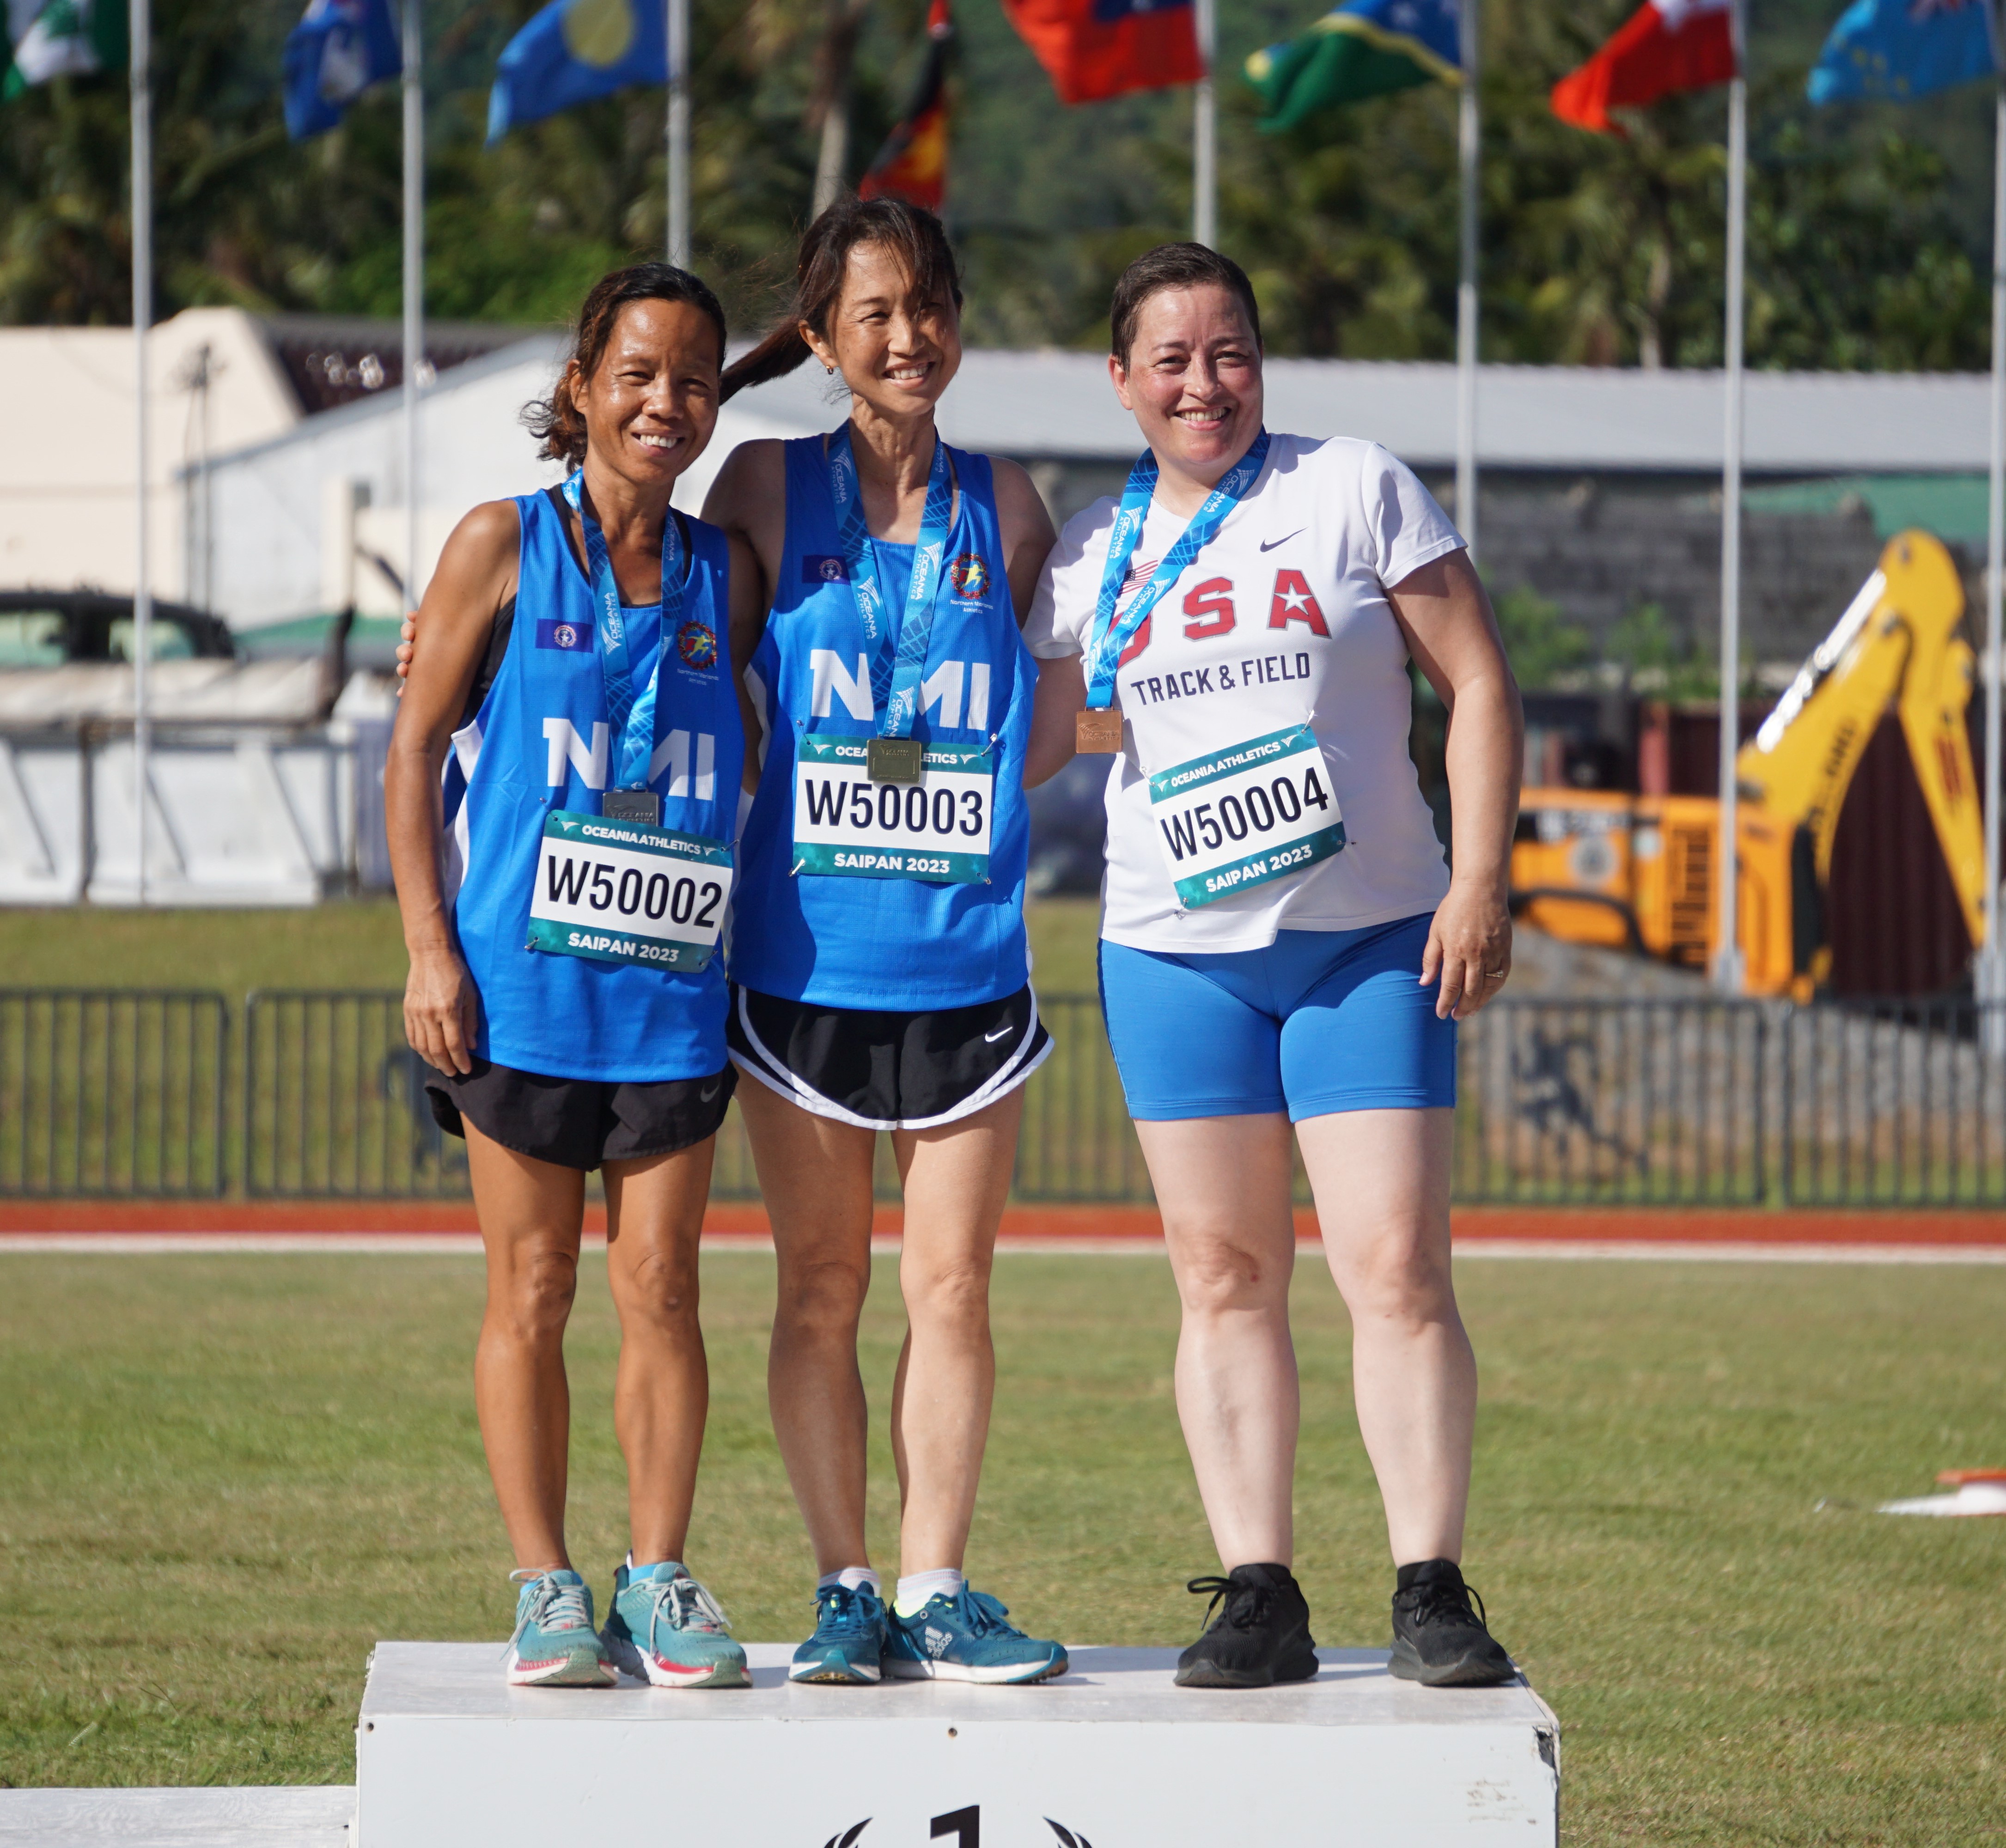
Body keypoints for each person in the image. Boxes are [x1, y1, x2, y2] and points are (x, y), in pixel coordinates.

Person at [1020, 243, 1524, 1690]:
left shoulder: (1351, 487)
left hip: (1367, 942)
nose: (1204, 382)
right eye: (1170, 360)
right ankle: (1261, 1589)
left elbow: (1479, 681)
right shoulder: (1088, 558)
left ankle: (1429, 1583)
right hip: (1177, 956)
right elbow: (1038, 738)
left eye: (1229, 351)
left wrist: (1480, 880)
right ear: (1120, 384)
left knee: (1394, 1266)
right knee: (1223, 1273)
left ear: (1263, 363)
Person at [703, 196, 1067, 1686]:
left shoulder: (1018, 505)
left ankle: (935, 1586)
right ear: (822, 339)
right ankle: (843, 1586)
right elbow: (647, 604)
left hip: (969, 966)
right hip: (801, 970)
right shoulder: (761, 490)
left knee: (955, 1291)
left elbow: (1043, 726)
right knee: (819, 1290)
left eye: (927, 307)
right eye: (873, 315)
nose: (908, 338)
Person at [385, 263, 753, 1690]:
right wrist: (427, 949)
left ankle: (655, 1577)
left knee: (662, 1288)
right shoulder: (498, 543)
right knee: (531, 1289)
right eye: (639, 375)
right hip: (515, 993)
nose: (666, 403)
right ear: (581, 389)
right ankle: (547, 1587)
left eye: (697, 380)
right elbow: (412, 754)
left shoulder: (733, 567)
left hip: (670, 996)